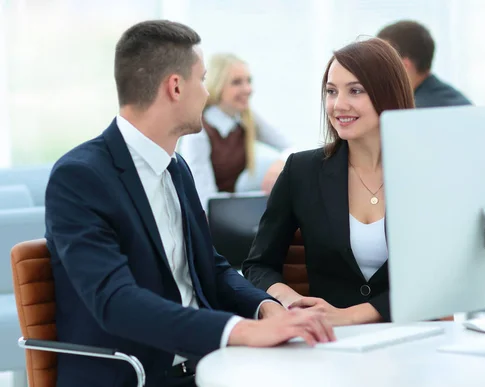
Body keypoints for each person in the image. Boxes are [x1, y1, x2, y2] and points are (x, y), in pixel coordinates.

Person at [45, 20, 333, 387]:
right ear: (176, 87)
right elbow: (115, 301)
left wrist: (266, 308)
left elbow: (209, 267)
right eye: (202, 79)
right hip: (136, 376)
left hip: (209, 368)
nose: (206, 93)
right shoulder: (80, 177)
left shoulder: (176, 166)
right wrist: (239, 330)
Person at [242, 38, 414, 326]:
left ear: (389, 94)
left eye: (355, 91)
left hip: (414, 337)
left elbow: (439, 274)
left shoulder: (426, 173)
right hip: (330, 344)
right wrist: (291, 301)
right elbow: (258, 265)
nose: (338, 105)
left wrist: (354, 315)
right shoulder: (302, 170)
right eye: (331, 92)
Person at [178, 53, 293, 208]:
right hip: (206, 218)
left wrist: (282, 163)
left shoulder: (246, 118)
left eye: (249, 81)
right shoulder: (199, 131)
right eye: (237, 82)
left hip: (227, 213)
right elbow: (204, 199)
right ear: (217, 86)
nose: (248, 89)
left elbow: (291, 147)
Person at [377, 20, 472, 108]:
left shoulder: (410, 114)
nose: (376, 71)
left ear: (403, 67)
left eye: (381, 63)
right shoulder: (460, 102)